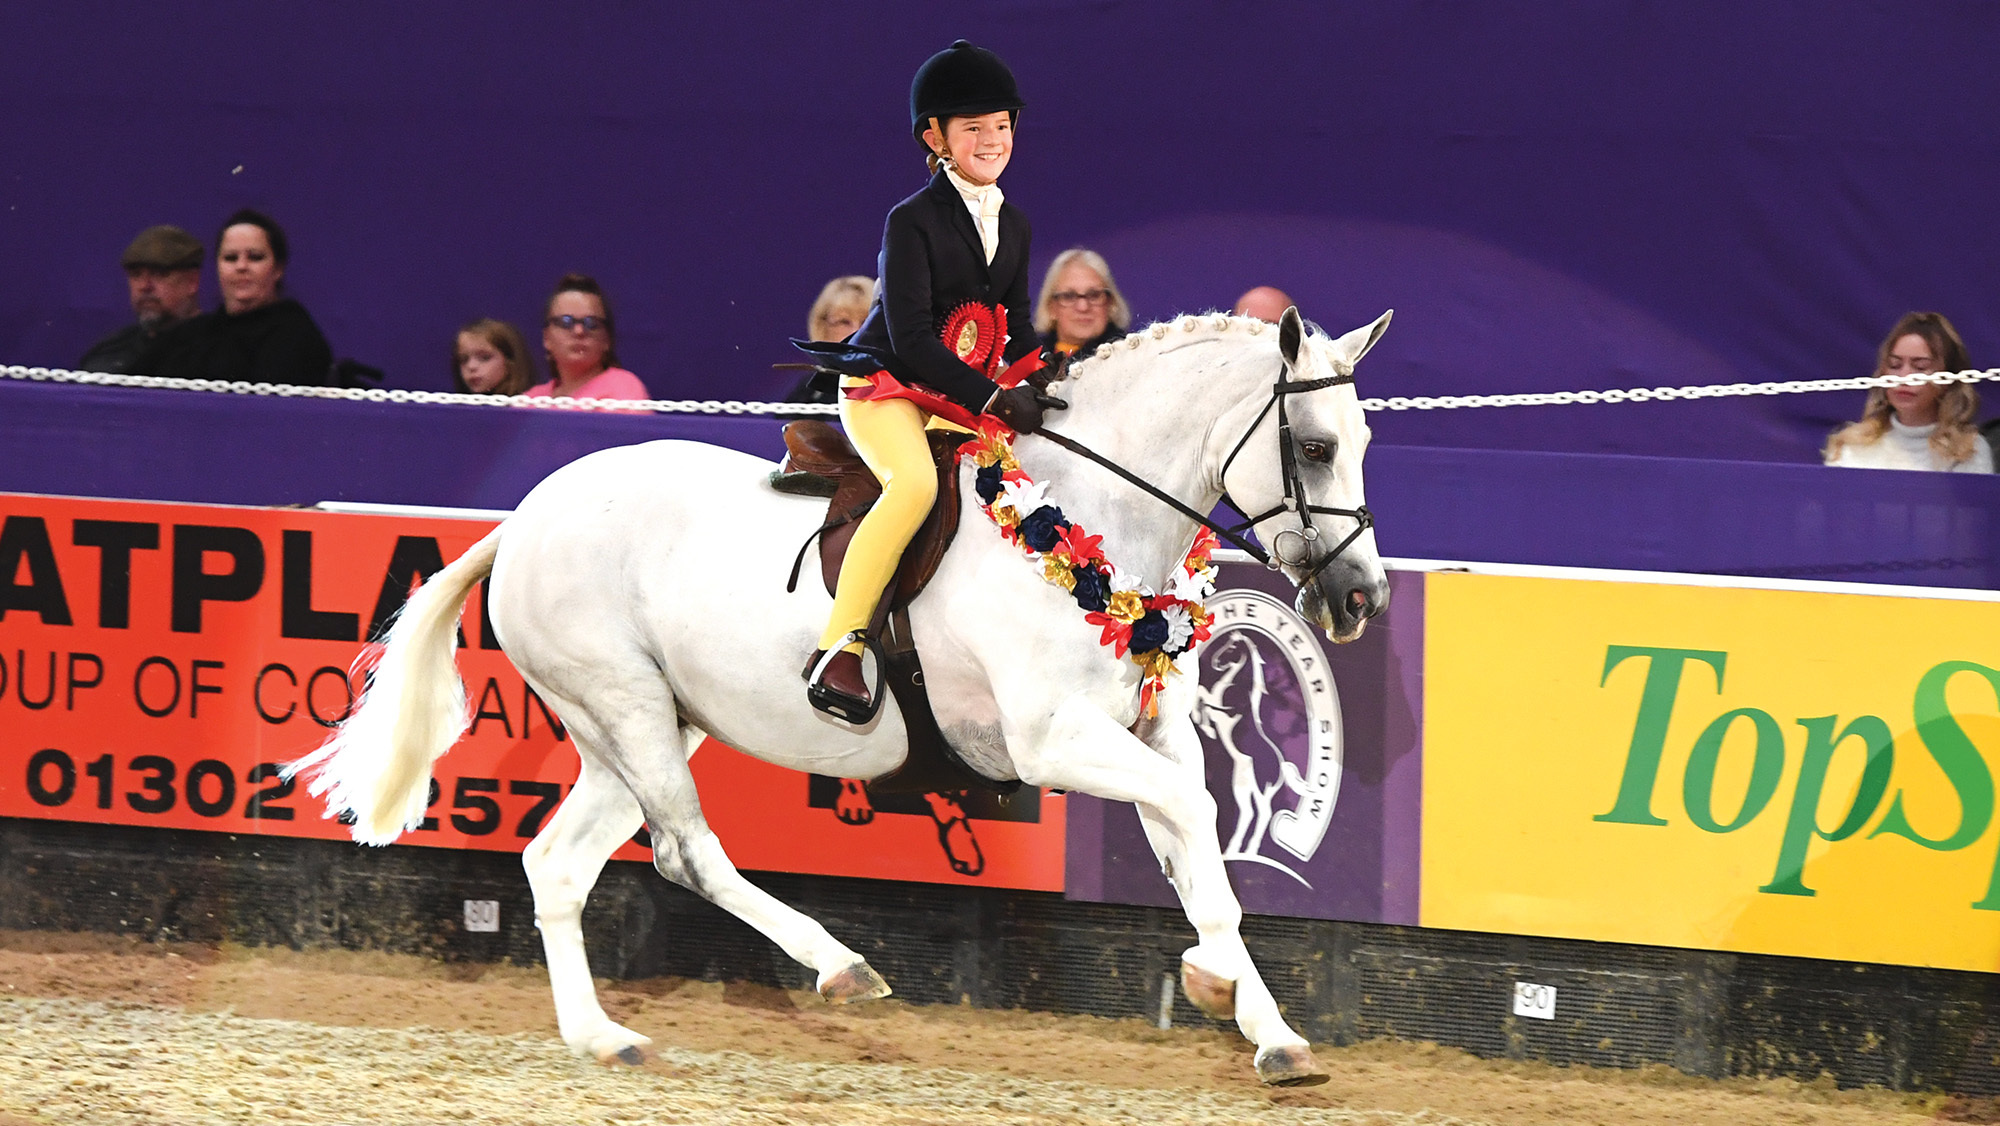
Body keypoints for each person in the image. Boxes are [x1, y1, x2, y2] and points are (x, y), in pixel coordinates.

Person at [792, 40, 1064, 722]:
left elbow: (1018, 323)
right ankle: (842, 645)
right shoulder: (910, 219)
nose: (992, 140)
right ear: (934, 137)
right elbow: (911, 337)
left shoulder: (1017, 223)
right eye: (973, 128)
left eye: (1001, 126)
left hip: (953, 396)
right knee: (914, 484)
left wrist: (1050, 371)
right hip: (884, 386)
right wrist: (997, 397)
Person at [135, 209, 334, 386]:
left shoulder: (296, 336)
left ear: (278, 269)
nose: (241, 267)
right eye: (231, 258)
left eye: (255, 257)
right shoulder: (190, 335)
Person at [1825, 312, 1990, 473]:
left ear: (1948, 379)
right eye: (1894, 365)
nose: (1904, 378)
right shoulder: (1850, 446)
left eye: (1920, 367)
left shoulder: (1968, 451)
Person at [77, 225, 205, 373]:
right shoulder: (108, 355)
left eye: (159, 273)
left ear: (192, 282)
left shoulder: (218, 352)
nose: (144, 286)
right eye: (136, 275)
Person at [524, 273, 650, 400]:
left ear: (607, 339)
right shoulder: (531, 401)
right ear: (546, 338)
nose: (579, 331)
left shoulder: (624, 388)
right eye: (565, 322)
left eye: (591, 323)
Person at [786, 276, 877, 403]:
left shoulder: (900, 387)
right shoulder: (808, 392)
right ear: (823, 327)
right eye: (844, 322)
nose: (856, 331)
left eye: (866, 321)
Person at [1034, 247, 1130, 360]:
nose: (1083, 307)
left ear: (1110, 303)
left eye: (1094, 295)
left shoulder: (1130, 356)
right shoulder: (1027, 361)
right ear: (1051, 307)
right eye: (1069, 296)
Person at [452, 318, 536, 396]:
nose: (471, 366)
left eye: (484, 358)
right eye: (463, 360)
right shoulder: (454, 408)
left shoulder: (530, 406)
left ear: (510, 362)